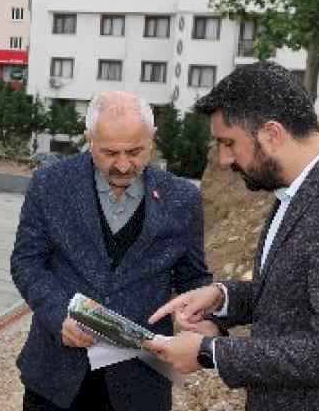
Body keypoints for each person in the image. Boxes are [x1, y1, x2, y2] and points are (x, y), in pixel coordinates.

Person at [144, 62, 319, 411]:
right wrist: (222, 297)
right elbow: (300, 293)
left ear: (272, 134)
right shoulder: (302, 191)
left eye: (229, 143)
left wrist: (209, 353)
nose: (223, 157)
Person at [11, 91, 212, 410]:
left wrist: (201, 321)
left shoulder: (183, 199)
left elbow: (193, 278)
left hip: (141, 384)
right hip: (55, 378)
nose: (122, 165)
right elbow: (27, 263)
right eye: (109, 153)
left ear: (153, 139)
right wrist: (58, 314)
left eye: (135, 151)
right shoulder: (50, 185)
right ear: (89, 139)